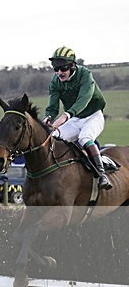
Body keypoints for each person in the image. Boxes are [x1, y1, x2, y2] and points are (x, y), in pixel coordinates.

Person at [43, 46, 111, 190]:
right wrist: (48, 118)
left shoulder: (85, 74)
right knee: (54, 137)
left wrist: (67, 115)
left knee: (85, 138)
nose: (59, 73)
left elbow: (84, 99)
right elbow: (52, 106)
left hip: (93, 116)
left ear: (72, 65)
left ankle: (101, 175)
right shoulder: (55, 82)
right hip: (75, 119)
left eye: (63, 68)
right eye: (56, 69)